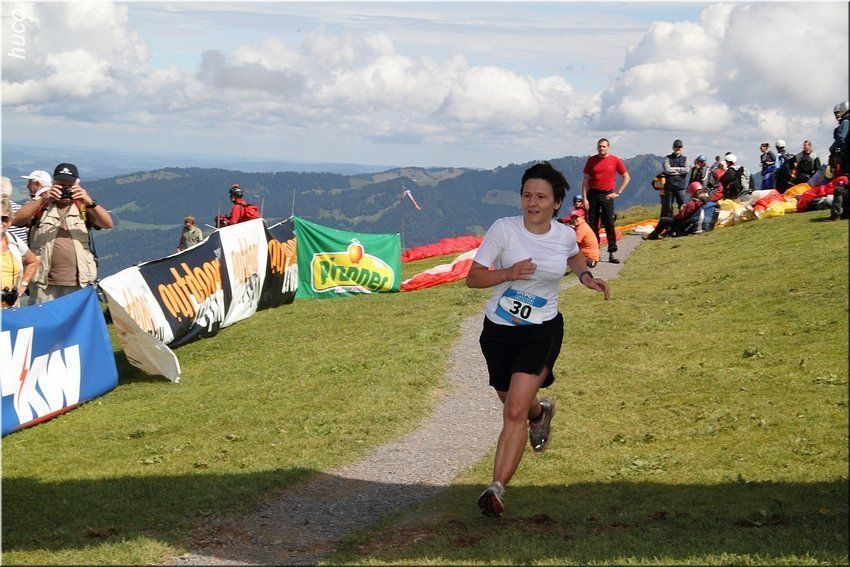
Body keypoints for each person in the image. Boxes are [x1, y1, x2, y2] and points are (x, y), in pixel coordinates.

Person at [466, 162, 609, 518]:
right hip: (498, 332)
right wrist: (508, 273)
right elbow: (473, 278)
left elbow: (574, 255)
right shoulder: (504, 229)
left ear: (556, 203)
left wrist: (586, 277)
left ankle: (496, 488)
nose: (532, 202)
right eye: (527, 195)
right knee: (515, 402)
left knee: (513, 410)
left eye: (541, 197)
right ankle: (541, 413)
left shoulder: (563, 235)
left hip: (542, 330)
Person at [12, 163, 113, 304]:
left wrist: (90, 202)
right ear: (53, 184)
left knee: (76, 318)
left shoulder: (83, 206)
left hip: (79, 282)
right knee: (44, 317)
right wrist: (43, 199)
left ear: (77, 185)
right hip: (44, 283)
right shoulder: (41, 204)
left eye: (69, 186)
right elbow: (16, 220)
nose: (65, 189)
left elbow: (107, 224)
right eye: (61, 185)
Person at [581, 138, 630, 264]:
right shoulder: (591, 160)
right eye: (599, 146)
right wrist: (585, 199)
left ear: (608, 147)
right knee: (592, 224)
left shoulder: (615, 160)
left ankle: (612, 253)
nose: (601, 148)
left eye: (603, 146)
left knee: (609, 223)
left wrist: (618, 192)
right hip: (592, 194)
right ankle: (594, 253)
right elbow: (585, 181)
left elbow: (626, 176)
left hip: (607, 194)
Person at [1, 197, 39, 308]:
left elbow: (33, 262)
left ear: (10, 221)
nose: (1, 222)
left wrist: (22, 286)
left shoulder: (14, 240)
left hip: (10, 307)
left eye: (4, 219)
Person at [642, 182, 710, 240]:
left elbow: (681, 217)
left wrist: (680, 211)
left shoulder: (693, 202)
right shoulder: (703, 201)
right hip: (693, 222)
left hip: (685, 224)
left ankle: (653, 236)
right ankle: (667, 233)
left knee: (663, 220)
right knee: (671, 220)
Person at [661, 139, 689, 218]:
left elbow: (687, 170)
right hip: (669, 186)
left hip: (681, 187)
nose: (678, 148)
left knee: (683, 206)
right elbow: (667, 170)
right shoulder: (667, 158)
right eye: (676, 147)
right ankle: (668, 222)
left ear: (682, 148)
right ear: (673, 148)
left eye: (679, 147)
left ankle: (682, 221)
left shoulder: (685, 159)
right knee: (668, 207)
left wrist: (673, 169)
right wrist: (680, 170)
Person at [829, 101, 849, 177]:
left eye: (839, 112)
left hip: (845, 156)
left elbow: (841, 138)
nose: (838, 114)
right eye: (836, 113)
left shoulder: (845, 122)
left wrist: (832, 148)